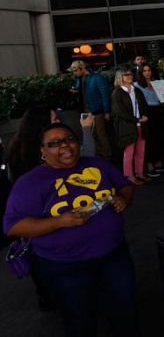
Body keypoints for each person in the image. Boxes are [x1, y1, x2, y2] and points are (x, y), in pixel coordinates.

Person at [3, 123, 138, 336]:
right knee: (80, 321)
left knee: (126, 312)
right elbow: (13, 226)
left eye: (69, 139)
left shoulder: (97, 165)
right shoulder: (30, 182)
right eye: (54, 143)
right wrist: (58, 222)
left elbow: (125, 185)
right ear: (42, 150)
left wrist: (124, 198)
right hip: (65, 266)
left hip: (113, 256)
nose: (65, 146)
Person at [111, 68, 150, 185]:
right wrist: (136, 119)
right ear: (120, 77)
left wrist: (145, 116)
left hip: (140, 124)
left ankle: (140, 173)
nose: (129, 76)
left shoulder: (136, 90)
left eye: (130, 74)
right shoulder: (117, 93)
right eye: (126, 75)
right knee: (129, 152)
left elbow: (144, 105)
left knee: (141, 151)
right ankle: (129, 175)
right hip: (126, 126)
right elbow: (120, 111)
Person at [69, 60, 112, 160]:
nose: (74, 73)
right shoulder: (80, 79)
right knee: (91, 135)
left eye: (75, 70)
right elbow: (81, 92)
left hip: (97, 111)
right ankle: (100, 155)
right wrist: (75, 91)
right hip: (85, 111)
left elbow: (105, 95)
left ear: (82, 68)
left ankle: (108, 156)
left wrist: (107, 112)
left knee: (101, 135)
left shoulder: (97, 78)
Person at [136, 64, 164, 176]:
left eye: (149, 70)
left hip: (159, 111)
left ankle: (159, 163)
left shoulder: (158, 83)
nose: (147, 73)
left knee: (160, 137)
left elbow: (163, 99)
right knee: (150, 139)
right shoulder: (137, 86)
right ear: (141, 72)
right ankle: (150, 166)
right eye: (145, 71)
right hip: (148, 112)